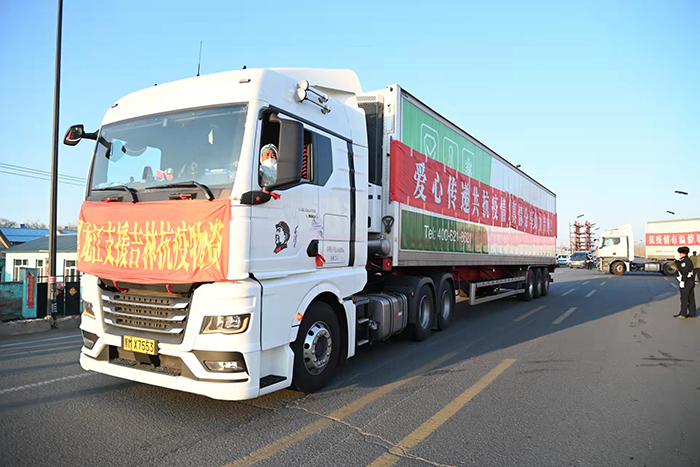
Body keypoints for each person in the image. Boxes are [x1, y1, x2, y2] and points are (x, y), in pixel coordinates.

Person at [674, 246, 696, 319]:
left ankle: (683, 313)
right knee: (690, 298)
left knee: (684, 298)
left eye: (681, 253)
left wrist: (682, 281)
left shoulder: (685, 261)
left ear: (684, 253)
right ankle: (692, 313)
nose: (680, 254)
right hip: (690, 281)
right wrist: (677, 262)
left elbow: (684, 272)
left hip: (687, 281)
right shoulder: (687, 260)